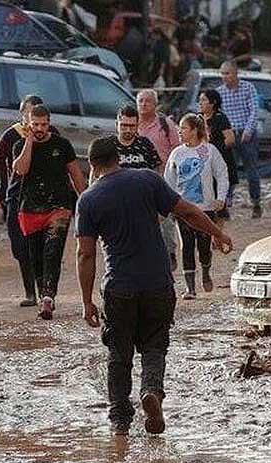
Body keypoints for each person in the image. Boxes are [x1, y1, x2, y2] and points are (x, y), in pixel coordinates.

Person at [75, 137, 233, 435]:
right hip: (158, 284)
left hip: (119, 286)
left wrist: (86, 301)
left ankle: (120, 420)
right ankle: (151, 391)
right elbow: (186, 212)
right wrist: (217, 234)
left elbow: (85, 253)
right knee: (154, 346)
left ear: (93, 165)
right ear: (118, 158)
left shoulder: (89, 199)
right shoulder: (147, 180)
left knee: (118, 355)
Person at [11, 104, 88, 320]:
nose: (40, 128)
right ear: (28, 123)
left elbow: (76, 174)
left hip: (59, 206)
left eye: (44, 124)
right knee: (36, 256)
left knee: (52, 250)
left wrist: (87, 200)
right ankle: (42, 293)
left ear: (49, 123)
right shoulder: (20, 145)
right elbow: (21, 169)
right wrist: (29, 141)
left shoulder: (62, 144)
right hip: (30, 208)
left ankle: (48, 297)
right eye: (35, 124)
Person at [0, 94, 59, 306]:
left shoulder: (52, 135)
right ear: (23, 114)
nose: (35, 122)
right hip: (18, 196)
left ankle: (45, 292)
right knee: (21, 246)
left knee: (46, 246)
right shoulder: (12, 136)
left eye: (39, 116)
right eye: (30, 114)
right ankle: (30, 292)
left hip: (46, 198)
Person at [164, 114, 229, 299]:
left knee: (204, 245)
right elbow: (169, 181)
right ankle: (190, 287)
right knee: (186, 245)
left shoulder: (209, 151)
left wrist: (221, 198)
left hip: (205, 207)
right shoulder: (177, 153)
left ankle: (206, 270)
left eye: (183, 128)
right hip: (183, 208)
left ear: (194, 131)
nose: (180, 131)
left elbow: (222, 174)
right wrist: (169, 204)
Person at [136, 89, 183, 271]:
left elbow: (178, 149)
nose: (144, 104)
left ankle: (169, 253)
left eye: (148, 101)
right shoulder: (133, 125)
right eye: (140, 101)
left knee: (165, 218)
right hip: (137, 180)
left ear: (155, 104)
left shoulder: (165, 124)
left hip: (162, 177)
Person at [216, 61, 263, 218]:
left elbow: (254, 110)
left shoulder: (248, 88)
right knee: (227, 170)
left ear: (236, 73)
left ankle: (256, 202)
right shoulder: (219, 92)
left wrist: (248, 130)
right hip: (228, 135)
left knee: (252, 170)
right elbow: (218, 115)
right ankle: (225, 204)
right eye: (222, 74)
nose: (225, 77)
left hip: (246, 134)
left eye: (227, 73)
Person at [198, 89, 238, 225]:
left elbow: (230, 139)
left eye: (204, 100)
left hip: (220, 163)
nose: (200, 103)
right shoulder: (197, 118)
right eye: (200, 100)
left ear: (213, 102)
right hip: (202, 165)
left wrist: (214, 151)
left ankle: (219, 233)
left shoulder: (220, 118)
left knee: (219, 202)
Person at [106, 104, 162, 172]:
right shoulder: (108, 145)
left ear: (137, 126)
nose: (128, 130)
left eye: (132, 126)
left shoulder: (145, 144)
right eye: (124, 126)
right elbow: (96, 171)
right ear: (117, 124)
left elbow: (157, 170)